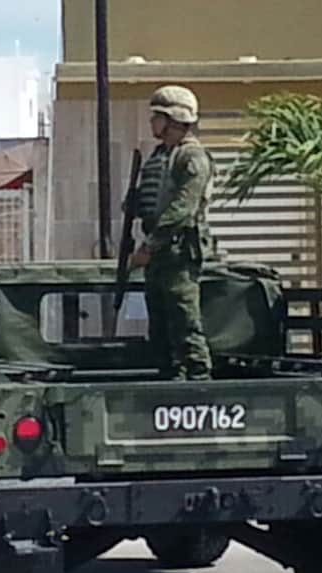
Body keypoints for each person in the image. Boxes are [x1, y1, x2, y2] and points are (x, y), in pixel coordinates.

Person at [128, 84, 216, 381]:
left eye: (157, 116)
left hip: (179, 254)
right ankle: (171, 379)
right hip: (160, 256)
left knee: (184, 322)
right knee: (161, 329)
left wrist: (148, 247)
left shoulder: (192, 158)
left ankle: (199, 382)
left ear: (173, 120)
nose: (152, 122)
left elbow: (182, 209)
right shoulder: (160, 155)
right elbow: (153, 201)